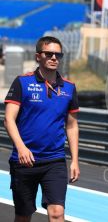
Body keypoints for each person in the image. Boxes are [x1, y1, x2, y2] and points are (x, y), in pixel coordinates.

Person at [4, 36, 80, 222]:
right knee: (23, 216)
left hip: (54, 161)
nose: (54, 58)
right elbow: (8, 119)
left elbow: (72, 125)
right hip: (24, 161)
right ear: (38, 56)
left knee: (57, 213)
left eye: (58, 54)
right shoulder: (22, 82)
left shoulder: (69, 87)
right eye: (49, 54)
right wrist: (21, 148)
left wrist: (75, 160)